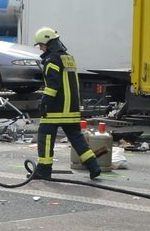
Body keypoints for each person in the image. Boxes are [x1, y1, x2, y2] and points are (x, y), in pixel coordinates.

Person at [31, 27, 100, 180]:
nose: (41, 48)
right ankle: (93, 165)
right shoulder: (68, 57)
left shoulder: (51, 60)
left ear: (48, 43)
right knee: (76, 137)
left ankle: (44, 170)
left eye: (41, 45)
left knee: (45, 136)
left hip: (56, 109)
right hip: (72, 109)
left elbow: (53, 86)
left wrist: (44, 104)